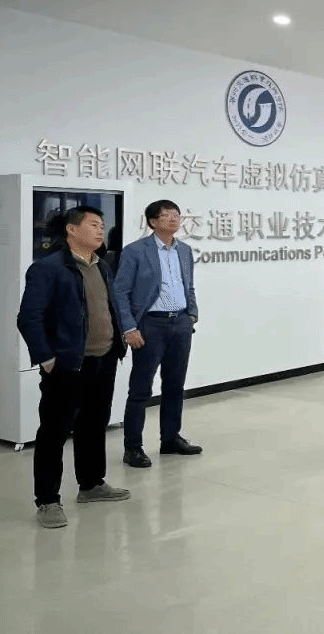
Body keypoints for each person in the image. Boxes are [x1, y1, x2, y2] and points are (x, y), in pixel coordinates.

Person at [17, 206, 131, 528]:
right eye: (94, 224)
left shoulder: (102, 266)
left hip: (104, 359)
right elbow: (29, 318)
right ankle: (48, 500)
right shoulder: (48, 268)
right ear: (71, 229)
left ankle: (91, 484)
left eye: (102, 225)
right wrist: (47, 359)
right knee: (54, 432)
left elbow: (107, 308)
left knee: (94, 425)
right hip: (68, 365)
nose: (101, 230)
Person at [112, 199, 202, 468]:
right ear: (153, 221)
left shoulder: (184, 250)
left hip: (180, 324)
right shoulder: (135, 251)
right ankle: (133, 447)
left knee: (175, 386)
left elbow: (189, 286)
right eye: (167, 215)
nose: (174, 219)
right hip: (150, 325)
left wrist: (192, 314)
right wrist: (129, 328)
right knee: (141, 389)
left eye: (177, 215)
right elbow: (120, 291)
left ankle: (170, 439)